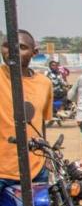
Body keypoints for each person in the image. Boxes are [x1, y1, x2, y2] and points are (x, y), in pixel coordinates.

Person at [0, 30, 53, 189]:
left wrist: (46, 155)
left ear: (34, 52)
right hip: (2, 168)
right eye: (7, 46)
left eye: (21, 47)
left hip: (35, 168)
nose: (12, 52)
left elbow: (39, 123)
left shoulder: (44, 84)